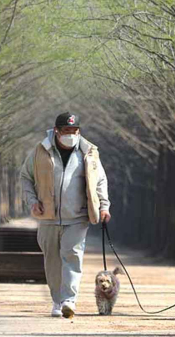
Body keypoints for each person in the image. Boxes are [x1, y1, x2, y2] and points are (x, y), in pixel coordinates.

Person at [20, 112, 111, 318]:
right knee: (52, 260)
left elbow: (100, 181)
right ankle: (57, 301)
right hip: (48, 217)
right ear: (56, 131)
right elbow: (25, 177)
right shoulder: (40, 151)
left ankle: (69, 300)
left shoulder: (89, 153)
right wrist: (33, 202)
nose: (71, 134)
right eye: (67, 131)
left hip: (78, 217)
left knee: (72, 256)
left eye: (75, 131)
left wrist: (103, 206)